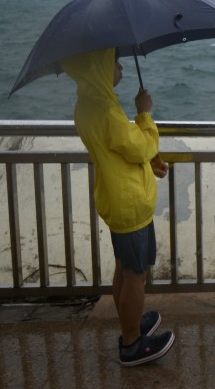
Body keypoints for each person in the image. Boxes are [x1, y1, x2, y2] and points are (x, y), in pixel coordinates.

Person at [61, 48, 174, 366]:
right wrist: (145, 113)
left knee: (125, 268)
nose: (121, 68)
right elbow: (140, 146)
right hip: (129, 203)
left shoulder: (88, 105)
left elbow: (120, 152)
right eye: (115, 63)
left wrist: (148, 164)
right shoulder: (105, 110)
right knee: (136, 274)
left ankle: (130, 324)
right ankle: (132, 343)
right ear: (98, 68)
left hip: (117, 196)